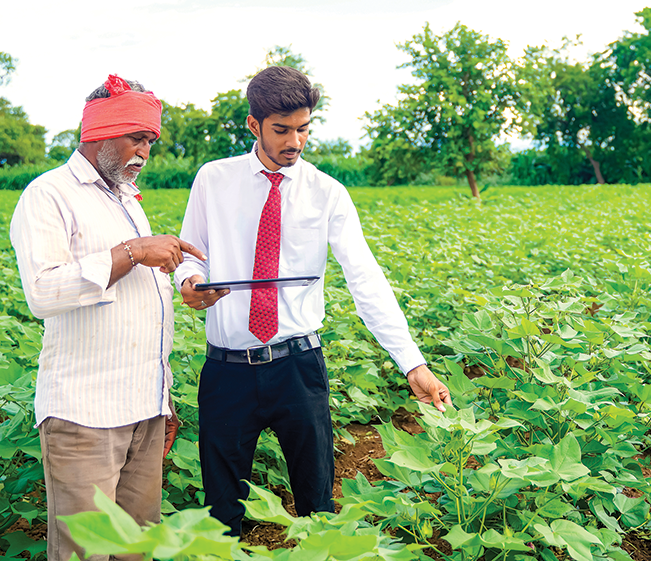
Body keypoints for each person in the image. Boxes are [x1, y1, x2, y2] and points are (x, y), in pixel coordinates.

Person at [174, 65, 451, 536]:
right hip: (227, 372)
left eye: (303, 129)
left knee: (318, 508)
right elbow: (189, 253)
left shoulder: (328, 193)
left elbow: (365, 278)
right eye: (282, 130)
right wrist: (191, 283)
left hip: (297, 367)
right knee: (221, 516)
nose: (295, 141)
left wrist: (412, 363)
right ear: (253, 124)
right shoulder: (213, 180)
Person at [10, 75, 207, 561]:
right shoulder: (49, 194)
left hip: (143, 410)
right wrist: (134, 251)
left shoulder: (124, 199)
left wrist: (162, 401)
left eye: (151, 141)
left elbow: (137, 305)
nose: (145, 152)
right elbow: (44, 291)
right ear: (98, 132)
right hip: (85, 417)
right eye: (136, 138)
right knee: (87, 553)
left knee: (136, 549)